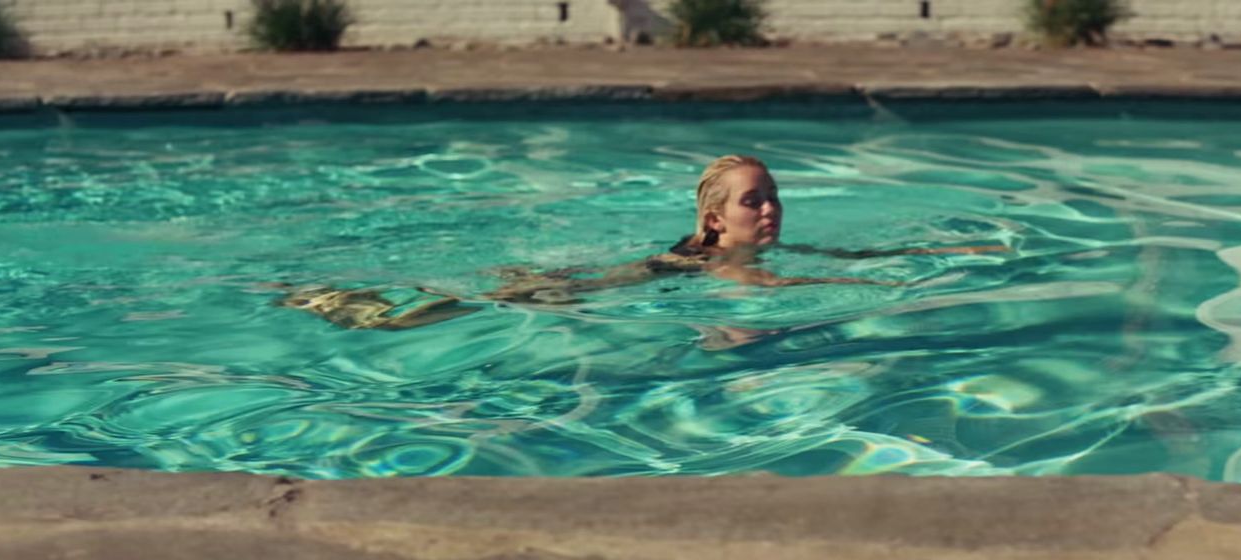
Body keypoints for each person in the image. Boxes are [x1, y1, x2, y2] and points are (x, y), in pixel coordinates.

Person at [278, 155, 1006, 330]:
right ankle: (352, 306)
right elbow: (769, 290)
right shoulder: (717, 261)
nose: (773, 209)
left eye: (777, 195)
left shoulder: (750, 247)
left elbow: (840, 259)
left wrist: (938, 260)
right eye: (756, 200)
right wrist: (871, 297)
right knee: (466, 307)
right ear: (718, 221)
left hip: (599, 276)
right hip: (587, 286)